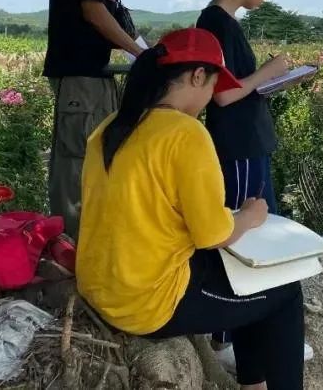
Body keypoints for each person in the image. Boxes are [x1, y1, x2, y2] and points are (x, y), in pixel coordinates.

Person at [76, 28, 304, 390]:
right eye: (213, 85)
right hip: (145, 303)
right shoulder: (185, 134)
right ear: (198, 75)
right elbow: (214, 235)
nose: (212, 96)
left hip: (98, 285)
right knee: (286, 291)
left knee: (247, 280)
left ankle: (253, 384)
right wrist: (250, 216)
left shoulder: (109, 128)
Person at [195, 0, 310, 368]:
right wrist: (270, 72)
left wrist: (268, 81)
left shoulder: (225, 22)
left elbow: (237, 87)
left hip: (248, 143)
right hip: (238, 145)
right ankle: (236, 332)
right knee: (245, 231)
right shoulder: (215, 26)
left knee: (257, 227)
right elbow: (223, 96)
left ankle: (252, 327)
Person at [42, 0, 162, 240]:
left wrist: (143, 48)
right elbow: (93, 12)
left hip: (96, 74)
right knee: (74, 163)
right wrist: (140, 55)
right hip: (78, 73)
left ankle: (90, 246)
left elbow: (113, 14)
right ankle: (69, 250)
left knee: (96, 161)